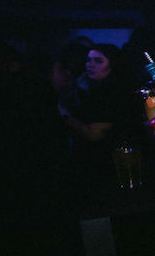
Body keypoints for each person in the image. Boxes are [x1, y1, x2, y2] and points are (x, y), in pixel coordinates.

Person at [58, 43, 139, 190]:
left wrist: (64, 116)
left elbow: (94, 134)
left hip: (111, 165)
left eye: (98, 61)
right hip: (90, 165)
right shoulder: (85, 88)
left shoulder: (115, 93)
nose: (90, 65)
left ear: (113, 64)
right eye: (88, 60)